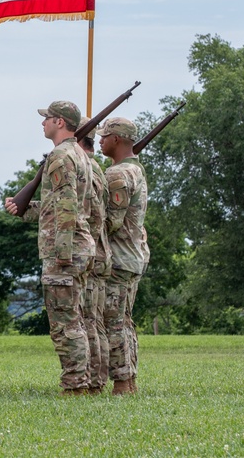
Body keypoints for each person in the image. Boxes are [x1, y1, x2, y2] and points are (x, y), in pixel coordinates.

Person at [5, 101, 94, 395]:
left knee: (65, 323)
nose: (42, 123)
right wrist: (25, 209)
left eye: (47, 119)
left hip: (64, 251)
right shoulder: (80, 155)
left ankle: (74, 385)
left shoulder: (60, 155)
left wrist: (62, 254)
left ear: (59, 122)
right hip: (78, 246)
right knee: (75, 318)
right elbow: (65, 206)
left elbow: (67, 207)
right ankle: (81, 381)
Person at [98, 116, 149, 395]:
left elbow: (111, 222)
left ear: (116, 139)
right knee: (124, 321)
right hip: (131, 256)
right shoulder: (135, 171)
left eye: (104, 136)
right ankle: (128, 382)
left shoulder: (117, 174)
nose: (100, 141)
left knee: (112, 321)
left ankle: (121, 384)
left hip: (118, 258)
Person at [77, 117, 111, 395]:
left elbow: (83, 213)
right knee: (93, 320)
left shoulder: (86, 168)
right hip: (97, 253)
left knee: (88, 320)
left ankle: (92, 382)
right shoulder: (96, 169)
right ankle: (95, 380)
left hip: (87, 254)